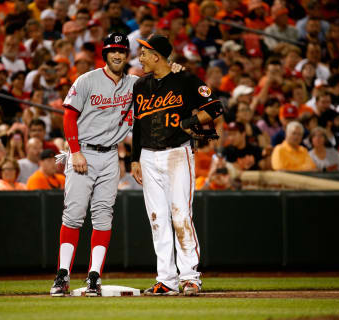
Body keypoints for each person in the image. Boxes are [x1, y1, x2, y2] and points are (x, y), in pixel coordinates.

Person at [131, 34, 223, 296]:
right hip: (148, 156)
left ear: (157, 55)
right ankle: (166, 279)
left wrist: (187, 124)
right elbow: (138, 124)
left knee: (181, 214)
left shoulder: (184, 79)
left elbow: (215, 107)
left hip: (177, 154)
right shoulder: (140, 85)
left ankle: (190, 277)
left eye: (145, 53)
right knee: (157, 219)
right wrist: (134, 158)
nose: (140, 58)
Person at [49, 32, 139, 297]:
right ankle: (62, 275)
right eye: (112, 50)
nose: (117, 54)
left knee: (102, 216)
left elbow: (160, 84)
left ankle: (94, 277)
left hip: (111, 155)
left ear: (127, 54)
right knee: (74, 215)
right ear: (105, 54)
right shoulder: (87, 80)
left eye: (121, 50)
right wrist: (74, 151)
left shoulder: (134, 84)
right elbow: (68, 116)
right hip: (83, 153)